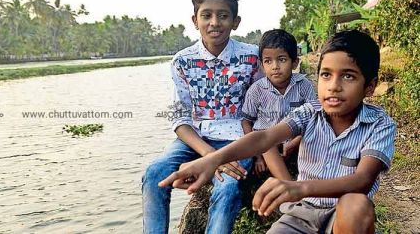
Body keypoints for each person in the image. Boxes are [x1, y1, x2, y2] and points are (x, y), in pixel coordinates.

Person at [159, 30, 396, 234]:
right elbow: (263, 137)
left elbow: (362, 180)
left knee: (357, 205)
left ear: (370, 86)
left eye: (348, 76)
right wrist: (212, 160)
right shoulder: (309, 112)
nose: (333, 85)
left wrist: (298, 187)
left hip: (342, 216)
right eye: (326, 74)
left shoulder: (379, 124)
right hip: (302, 213)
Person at [141, 0, 261, 233]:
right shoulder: (182, 61)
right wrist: (208, 155)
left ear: (235, 22)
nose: (214, 23)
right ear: (195, 20)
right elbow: (180, 117)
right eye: (206, 15)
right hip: (195, 139)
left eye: (223, 15)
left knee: (227, 186)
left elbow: (264, 107)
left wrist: (257, 150)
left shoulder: (252, 57)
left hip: (238, 140)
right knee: (154, 174)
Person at [242, 29, 316, 179]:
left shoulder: (304, 85)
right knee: (267, 144)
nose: (275, 66)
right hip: (266, 145)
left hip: (297, 140)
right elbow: (246, 122)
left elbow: (314, 118)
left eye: (281, 59)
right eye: (268, 61)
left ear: (294, 63)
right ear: (262, 65)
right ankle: (287, 185)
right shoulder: (256, 90)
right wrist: (257, 156)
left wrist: (295, 142)